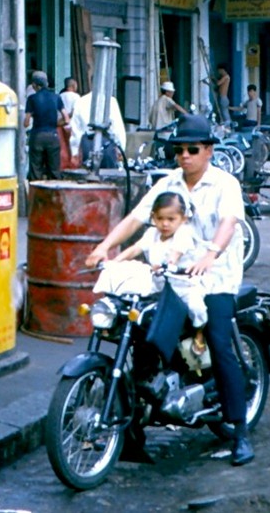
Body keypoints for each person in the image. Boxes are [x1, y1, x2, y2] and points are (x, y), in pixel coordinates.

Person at [85, 113, 252, 466]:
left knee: (219, 343)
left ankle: (239, 432)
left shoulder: (225, 184)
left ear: (208, 150)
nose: (185, 156)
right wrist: (105, 247)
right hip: (170, 277)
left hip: (215, 277)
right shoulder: (169, 184)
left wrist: (211, 254)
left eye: (193, 149)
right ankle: (133, 432)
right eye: (179, 150)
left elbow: (228, 223)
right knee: (138, 334)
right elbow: (136, 218)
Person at [99, 191, 208, 357]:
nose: (165, 224)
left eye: (171, 219)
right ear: (153, 217)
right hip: (158, 284)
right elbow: (135, 249)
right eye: (160, 219)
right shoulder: (152, 234)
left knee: (196, 307)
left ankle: (199, 332)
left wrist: (168, 264)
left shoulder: (184, 233)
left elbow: (176, 253)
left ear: (182, 219)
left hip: (184, 285)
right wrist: (114, 261)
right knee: (128, 296)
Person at [23, 70, 69, 180]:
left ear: (34, 85)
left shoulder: (32, 99)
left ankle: (35, 195)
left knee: (36, 170)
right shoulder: (56, 97)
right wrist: (54, 124)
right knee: (54, 170)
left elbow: (26, 123)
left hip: (37, 136)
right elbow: (67, 119)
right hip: (53, 136)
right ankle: (54, 195)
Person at [68, 87, 127, 168]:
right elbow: (117, 127)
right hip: (107, 143)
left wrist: (74, 151)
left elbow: (76, 130)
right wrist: (121, 149)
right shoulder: (110, 101)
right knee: (108, 176)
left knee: (89, 174)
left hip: (87, 143)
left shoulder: (81, 101)